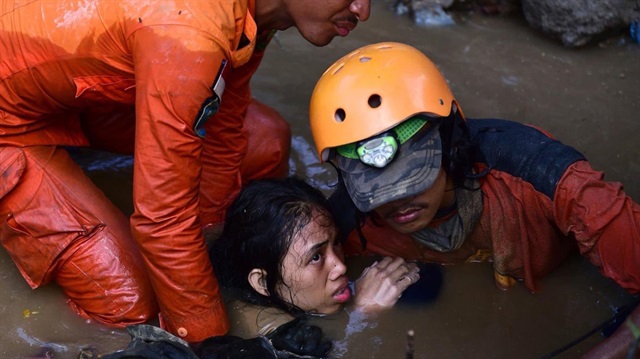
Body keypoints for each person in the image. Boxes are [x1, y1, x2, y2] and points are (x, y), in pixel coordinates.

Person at [0, 0, 371, 343]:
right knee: (131, 305)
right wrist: (211, 342)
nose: (363, 9)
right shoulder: (191, 36)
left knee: (266, 142)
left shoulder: (260, 16)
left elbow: (223, 129)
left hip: (76, 95)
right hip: (9, 126)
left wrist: (217, 252)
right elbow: (162, 220)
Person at [308, 42, 640, 357]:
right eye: (377, 190)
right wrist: (360, 313)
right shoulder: (346, 223)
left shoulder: (548, 180)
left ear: (450, 143)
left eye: (412, 180)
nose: (398, 203)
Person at [209, 176, 420, 331]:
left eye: (336, 243)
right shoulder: (269, 327)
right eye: (316, 257)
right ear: (263, 282)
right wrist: (361, 315)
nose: (341, 267)